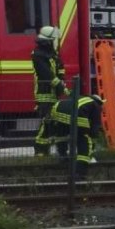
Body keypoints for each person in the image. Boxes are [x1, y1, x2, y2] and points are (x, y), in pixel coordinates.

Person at [51, 93, 104, 180]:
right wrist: (92, 142)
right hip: (76, 115)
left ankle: (62, 156)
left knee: (61, 136)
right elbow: (95, 127)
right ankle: (79, 173)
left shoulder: (80, 98)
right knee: (84, 140)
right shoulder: (95, 105)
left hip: (57, 111)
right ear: (99, 102)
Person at [31, 25, 66, 155]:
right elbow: (46, 74)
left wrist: (62, 78)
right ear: (48, 40)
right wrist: (60, 85)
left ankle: (46, 150)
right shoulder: (38, 54)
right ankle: (40, 150)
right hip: (43, 93)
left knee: (51, 122)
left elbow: (60, 67)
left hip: (53, 93)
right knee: (46, 122)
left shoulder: (53, 54)